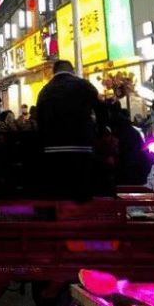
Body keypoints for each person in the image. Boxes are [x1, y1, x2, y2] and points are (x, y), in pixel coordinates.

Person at [36, 59, 103, 201]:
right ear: (72, 71)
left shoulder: (45, 91)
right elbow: (102, 112)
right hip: (82, 148)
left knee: (60, 195)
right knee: (82, 194)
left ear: (54, 72)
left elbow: (39, 121)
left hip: (53, 151)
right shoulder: (85, 86)